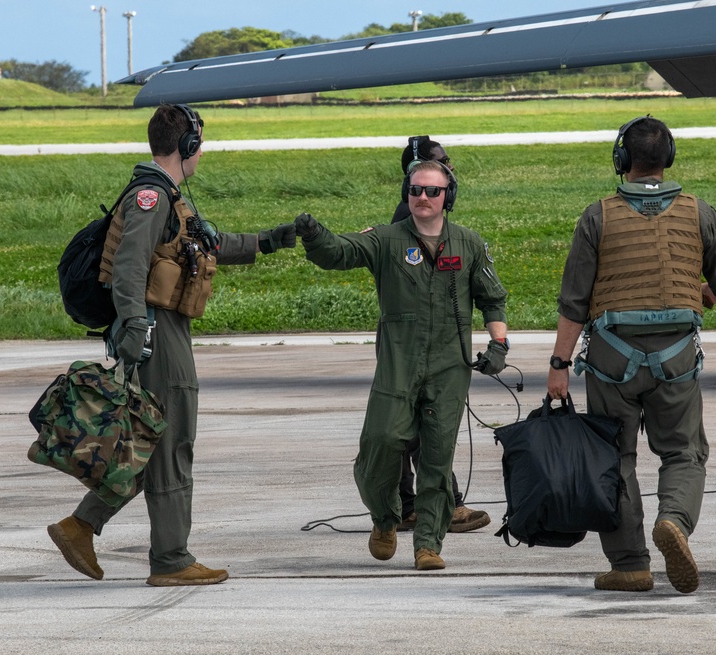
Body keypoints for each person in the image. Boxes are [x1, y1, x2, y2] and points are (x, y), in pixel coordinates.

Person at [47, 103, 297, 586]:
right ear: (187, 146)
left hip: (160, 328)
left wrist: (269, 241)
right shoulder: (151, 197)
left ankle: (80, 525)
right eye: (199, 143)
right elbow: (129, 268)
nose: (201, 151)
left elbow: (205, 244)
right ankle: (170, 558)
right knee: (171, 441)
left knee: (147, 441)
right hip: (157, 332)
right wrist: (138, 329)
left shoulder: (166, 196)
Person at [547, 116, 716, 593]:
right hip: (676, 358)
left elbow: (575, 300)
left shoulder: (598, 215)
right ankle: (674, 519)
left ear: (622, 159)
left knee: (615, 459)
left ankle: (631, 564)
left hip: (612, 360)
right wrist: (702, 294)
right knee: (683, 451)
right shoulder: (699, 212)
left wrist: (559, 365)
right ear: (668, 157)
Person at [295, 160, 508, 571]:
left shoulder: (469, 243)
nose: (422, 198)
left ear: (449, 196)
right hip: (398, 364)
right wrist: (314, 234)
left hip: (449, 367)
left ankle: (428, 544)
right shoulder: (387, 240)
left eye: (432, 191)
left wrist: (498, 345)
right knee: (380, 443)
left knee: (437, 457)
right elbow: (339, 253)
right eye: (415, 190)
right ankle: (384, 517)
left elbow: (492, 297)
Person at [390, 136, 490, 534]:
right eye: (442, 162)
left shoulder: (411, 214)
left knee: (412, 428)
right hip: (419, 347)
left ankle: (407, 505)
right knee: (424, 430)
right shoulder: (411, 220)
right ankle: (437, 507)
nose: (450, 168)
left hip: (416, 345)